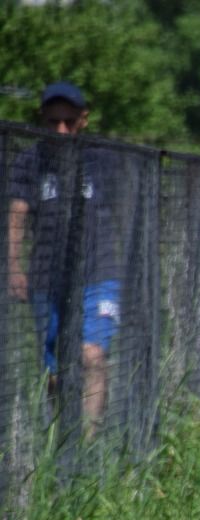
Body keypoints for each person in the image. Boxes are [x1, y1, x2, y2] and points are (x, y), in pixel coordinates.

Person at [6, 82, 118, 435]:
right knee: (54, 372)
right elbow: (17, 214)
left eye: (68, 121)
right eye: (53, 121)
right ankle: (61, 442)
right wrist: (13, 267)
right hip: (46, 276)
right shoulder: (30, 162)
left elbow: (125, 213)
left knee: (91, 356)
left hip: (98, 271)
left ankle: (87, 442)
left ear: (83, 120)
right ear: (42, 120)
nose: (61, 130)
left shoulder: (102, 161)